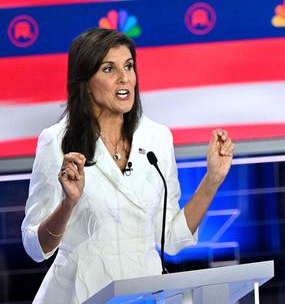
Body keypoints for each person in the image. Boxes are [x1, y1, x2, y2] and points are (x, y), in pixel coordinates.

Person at [21, 28, 235, 303]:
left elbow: (172, 237)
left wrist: (212, 180)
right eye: (109, 69)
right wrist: (67, 204)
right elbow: (35, 247)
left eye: (129, 66)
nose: (125, 78)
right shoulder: (56, 141)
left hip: (143, 292)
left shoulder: (157, 137)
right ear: (86, 82)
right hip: (83, 293)